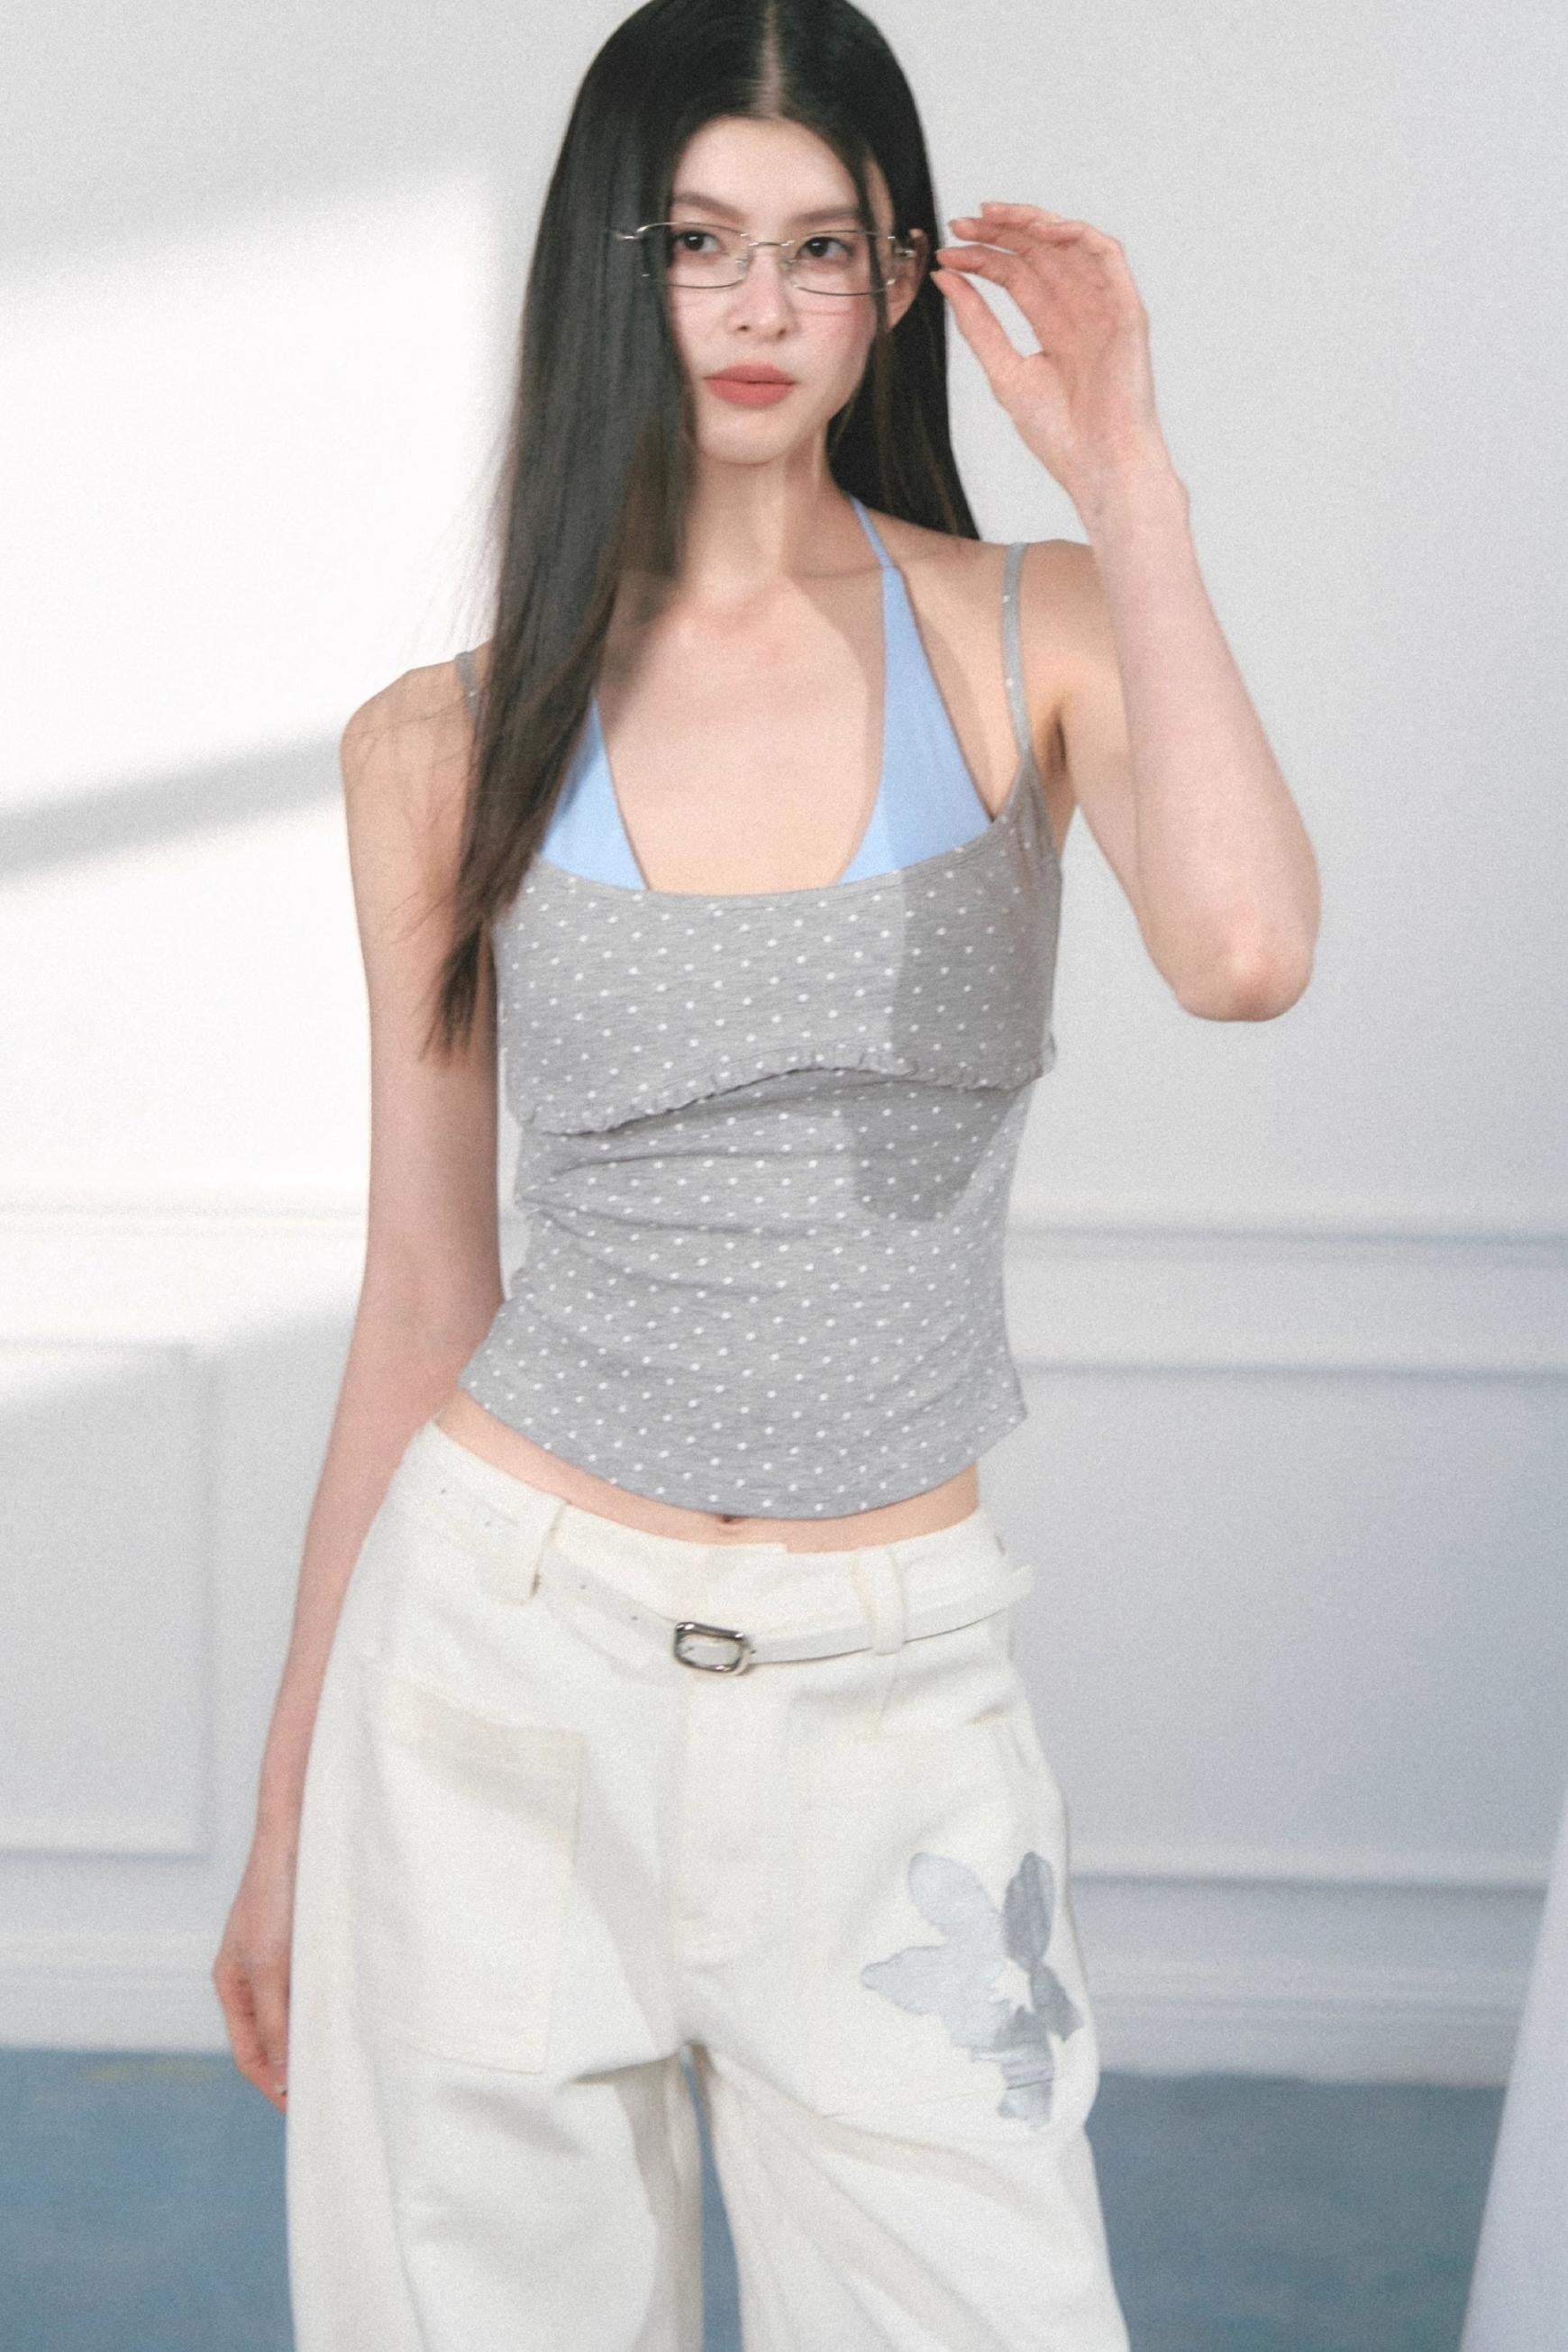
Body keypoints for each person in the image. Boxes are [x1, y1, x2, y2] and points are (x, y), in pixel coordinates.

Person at [213, 1, 1319, 2344]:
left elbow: (1242, 954)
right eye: (700, 240)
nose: (757, 304)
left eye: (821, 248)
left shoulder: (1033, 625)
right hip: (494, 1666)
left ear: (898, 284)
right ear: (611, 267)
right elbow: (424, 1287)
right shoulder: (441, 740)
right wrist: (292, 1793)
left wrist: (1132, 480)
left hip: (888, 1702)